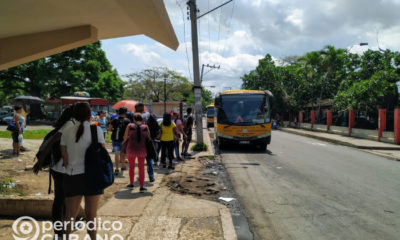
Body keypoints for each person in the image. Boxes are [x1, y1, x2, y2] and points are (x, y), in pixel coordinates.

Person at [60, 103, 105, 239]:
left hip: (72, 176)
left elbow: (65, 156)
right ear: (89, 115)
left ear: (74, 115)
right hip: (93, 177)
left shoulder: (66, 131)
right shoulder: (96, 131)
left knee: (69, 215)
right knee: (91, 215)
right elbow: (102, 154)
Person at [50, 105, 75, 238]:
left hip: (57, 168)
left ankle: (62, 228)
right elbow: (55, 140)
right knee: (62, 200)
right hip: (63, 168)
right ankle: (59, 231)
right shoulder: (70, 125)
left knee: (61, 199)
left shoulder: (65, 123)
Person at [124, 113, 150, 192]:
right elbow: (148, 138)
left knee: (131, 167)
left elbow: (125, 137)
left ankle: (131, 184)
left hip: (131, 149)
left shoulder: (130, 126)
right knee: (141, 167)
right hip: (142, 149)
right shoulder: (145, 127)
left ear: (134, 119)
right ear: (142, 119)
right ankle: (141, 187)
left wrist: (129, 137)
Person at [134, 102, 155, 181]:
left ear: (141, 107)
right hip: (147, 140)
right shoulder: (149, 115)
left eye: (136, 108)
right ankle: (151, 176)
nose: (135, 109)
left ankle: (141, 176)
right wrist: (152, 137)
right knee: (149, 160)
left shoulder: (135, 116)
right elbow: (155, 126)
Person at [108, 107, 130, 175]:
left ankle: (116, 168)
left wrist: (113, 130)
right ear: (125, 113)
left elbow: (109, 128)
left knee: (116, 153)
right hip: (123, 139)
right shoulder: (127, 120)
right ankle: (123, 166)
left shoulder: (114, 119)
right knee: (122, 153)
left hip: (115, 139)